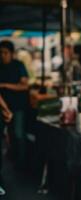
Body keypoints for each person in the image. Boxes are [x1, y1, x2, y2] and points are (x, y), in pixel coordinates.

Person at [0, 40, 29, 169]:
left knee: (18, 134)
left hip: (18, 106)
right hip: (4, 107)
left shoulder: (19, 65)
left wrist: (5, 85)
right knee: (10, 134)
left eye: (5, 52)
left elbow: (24, 85)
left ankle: (22, 162)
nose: (2, 55)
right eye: (0, 53)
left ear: (11, 53)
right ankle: (13, 157)